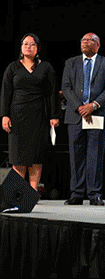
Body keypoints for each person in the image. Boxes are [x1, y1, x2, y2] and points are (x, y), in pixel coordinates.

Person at [62, 32, 105, 205]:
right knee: (76, 156)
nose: (85, 42)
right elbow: (66, 87)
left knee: (96, 155)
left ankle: (94, 194)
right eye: (83, 40)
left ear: (98, 45)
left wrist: (93, 105)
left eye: (89, 40)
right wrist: (80, 107)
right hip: (76, 115)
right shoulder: (71, 63)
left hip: (97, 114)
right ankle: (76, 193)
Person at [1, 33, 59, 191]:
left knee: (35, 157)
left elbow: (52, 93)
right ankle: (18, 193)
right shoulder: (13, 67)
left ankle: (32, 193)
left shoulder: (45, 67)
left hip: (39, 115)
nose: (29, 47)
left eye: (32, 44)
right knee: (18, 157)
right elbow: (6, 93)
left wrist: (54, 115)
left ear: (37, 48)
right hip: (17, 116)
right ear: (21, 47)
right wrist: (4, 115)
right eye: (25, 44)